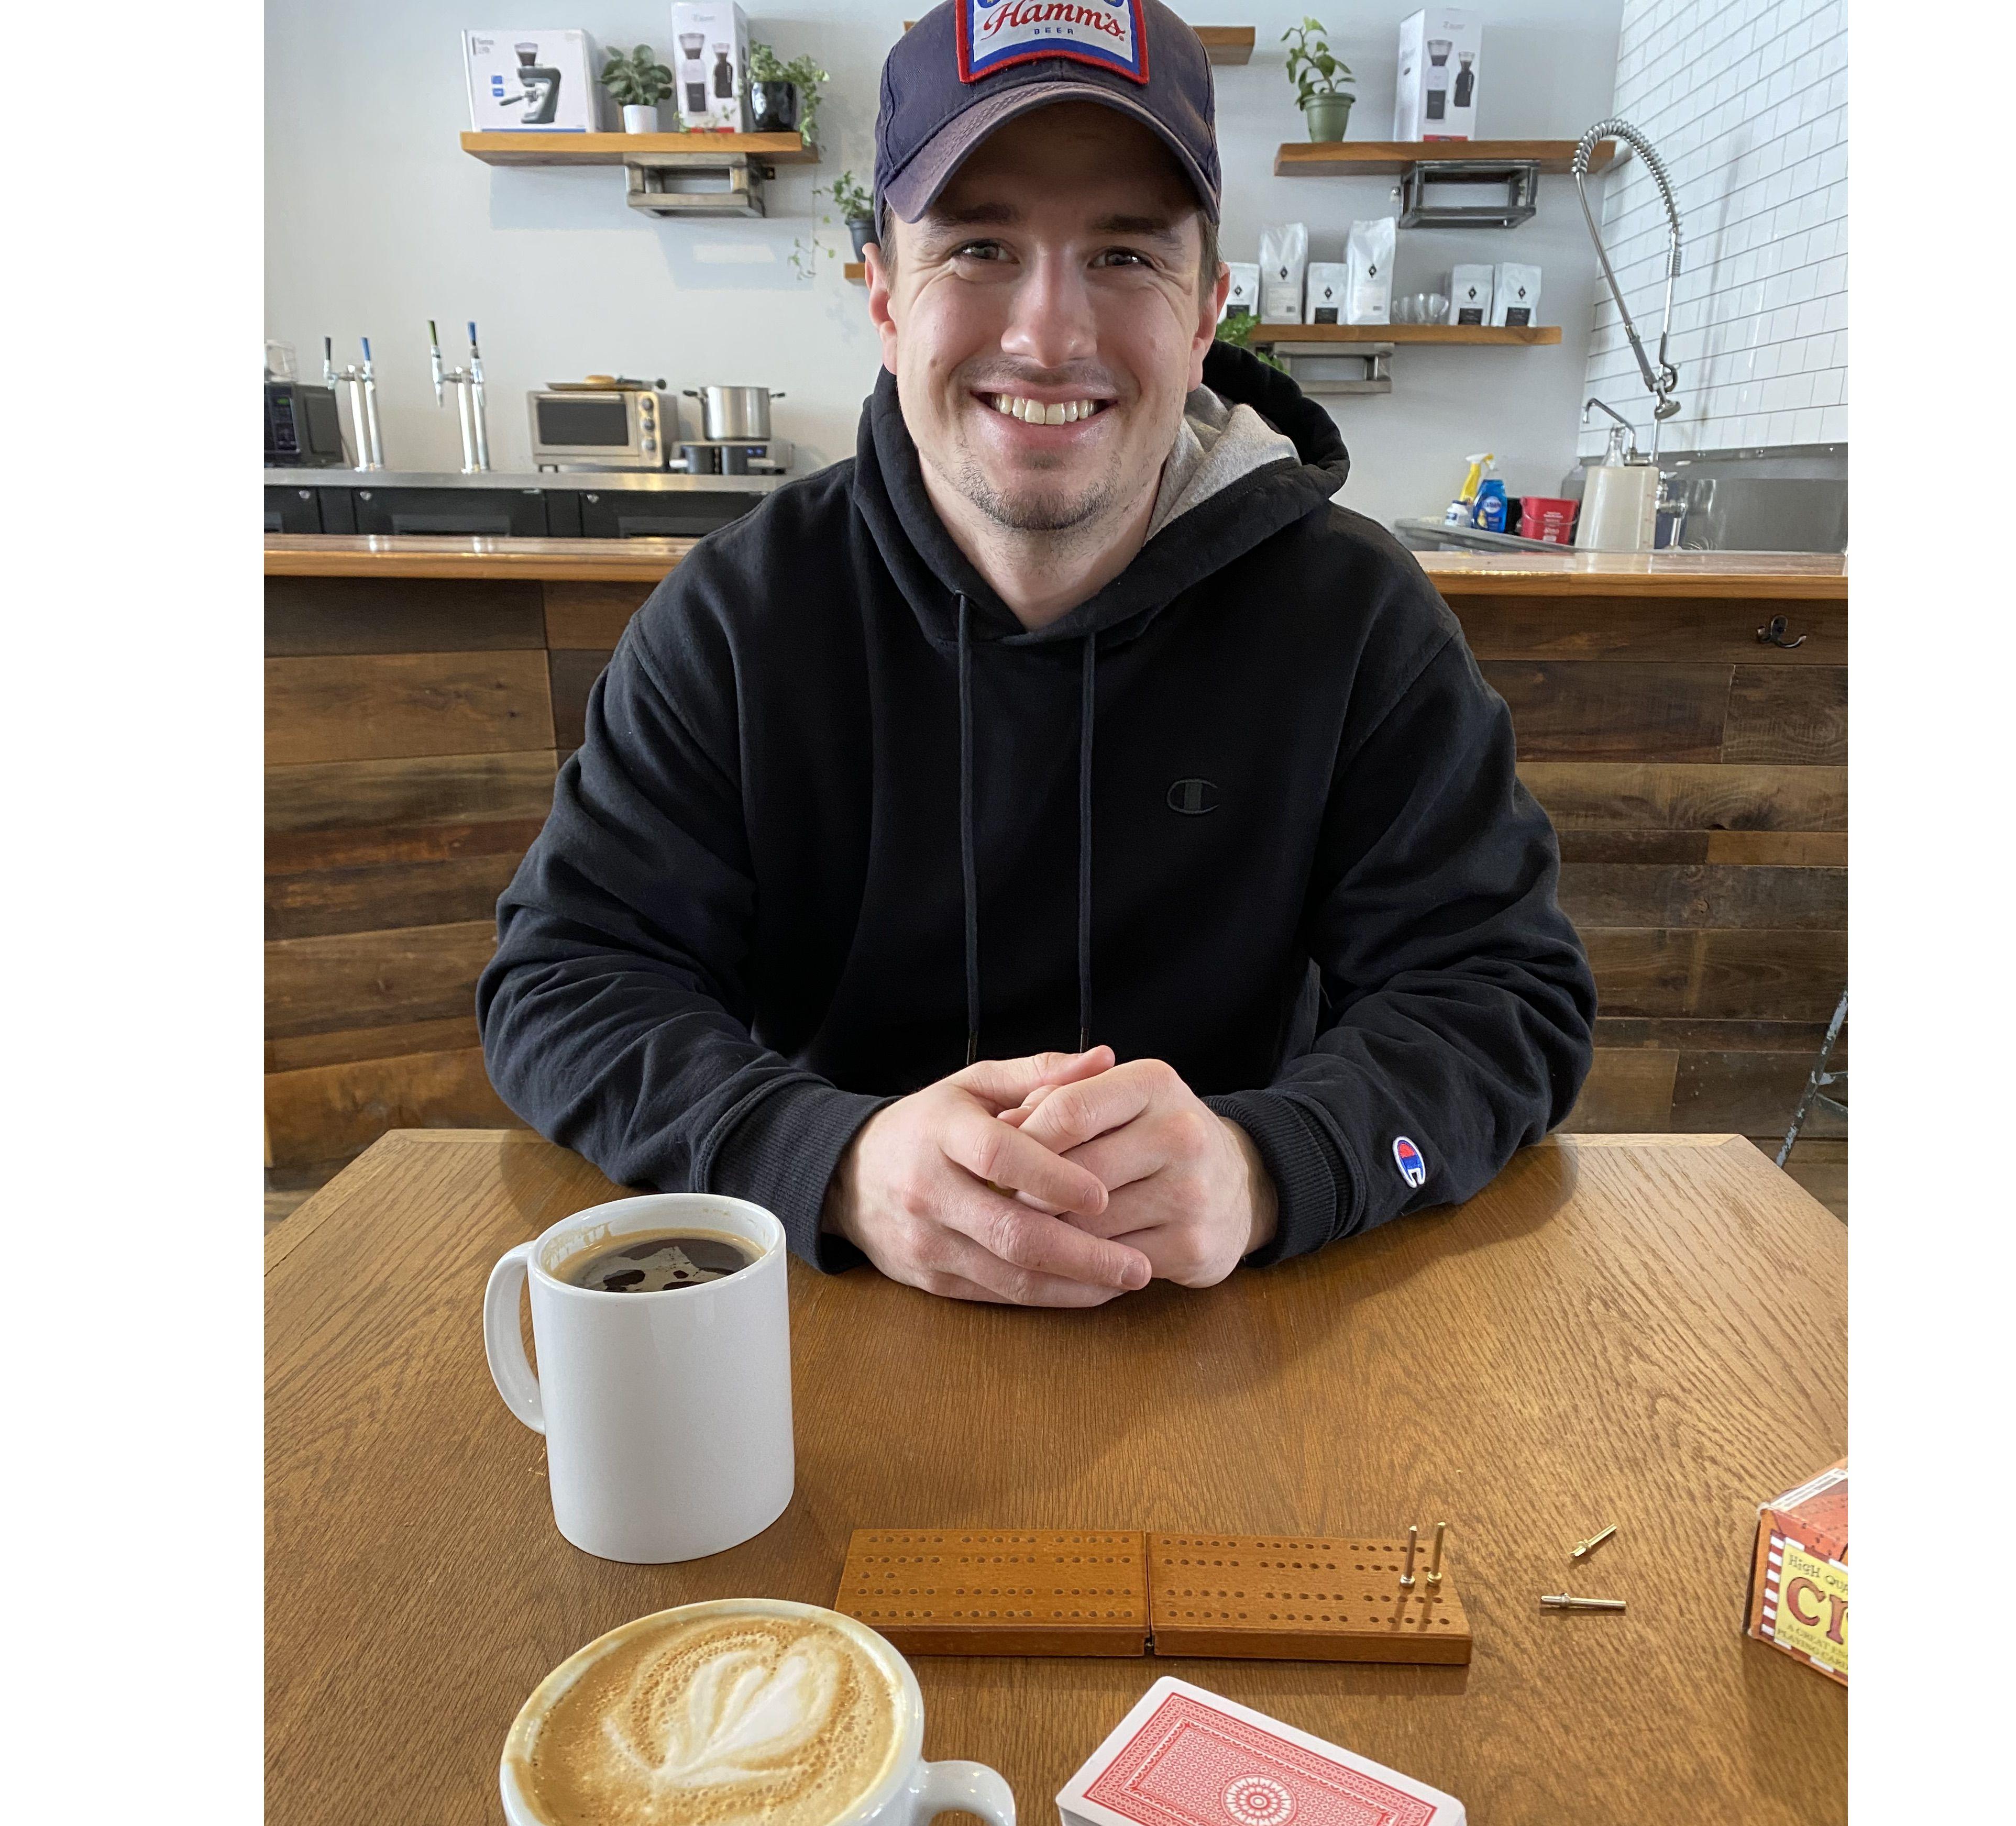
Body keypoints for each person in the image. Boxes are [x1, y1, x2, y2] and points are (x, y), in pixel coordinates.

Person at [477, 0, 1595, 1308]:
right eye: (981, 247)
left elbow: (1502, 995)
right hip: (817, 1328)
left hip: (1239, 1334)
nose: (1051, 335)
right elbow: (565, 981)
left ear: (1206, 314)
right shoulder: (737, 616)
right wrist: (826, 1156)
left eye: (1125, 255)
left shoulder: (1358, 622)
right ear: (886, 297)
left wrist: (1271, 1163)